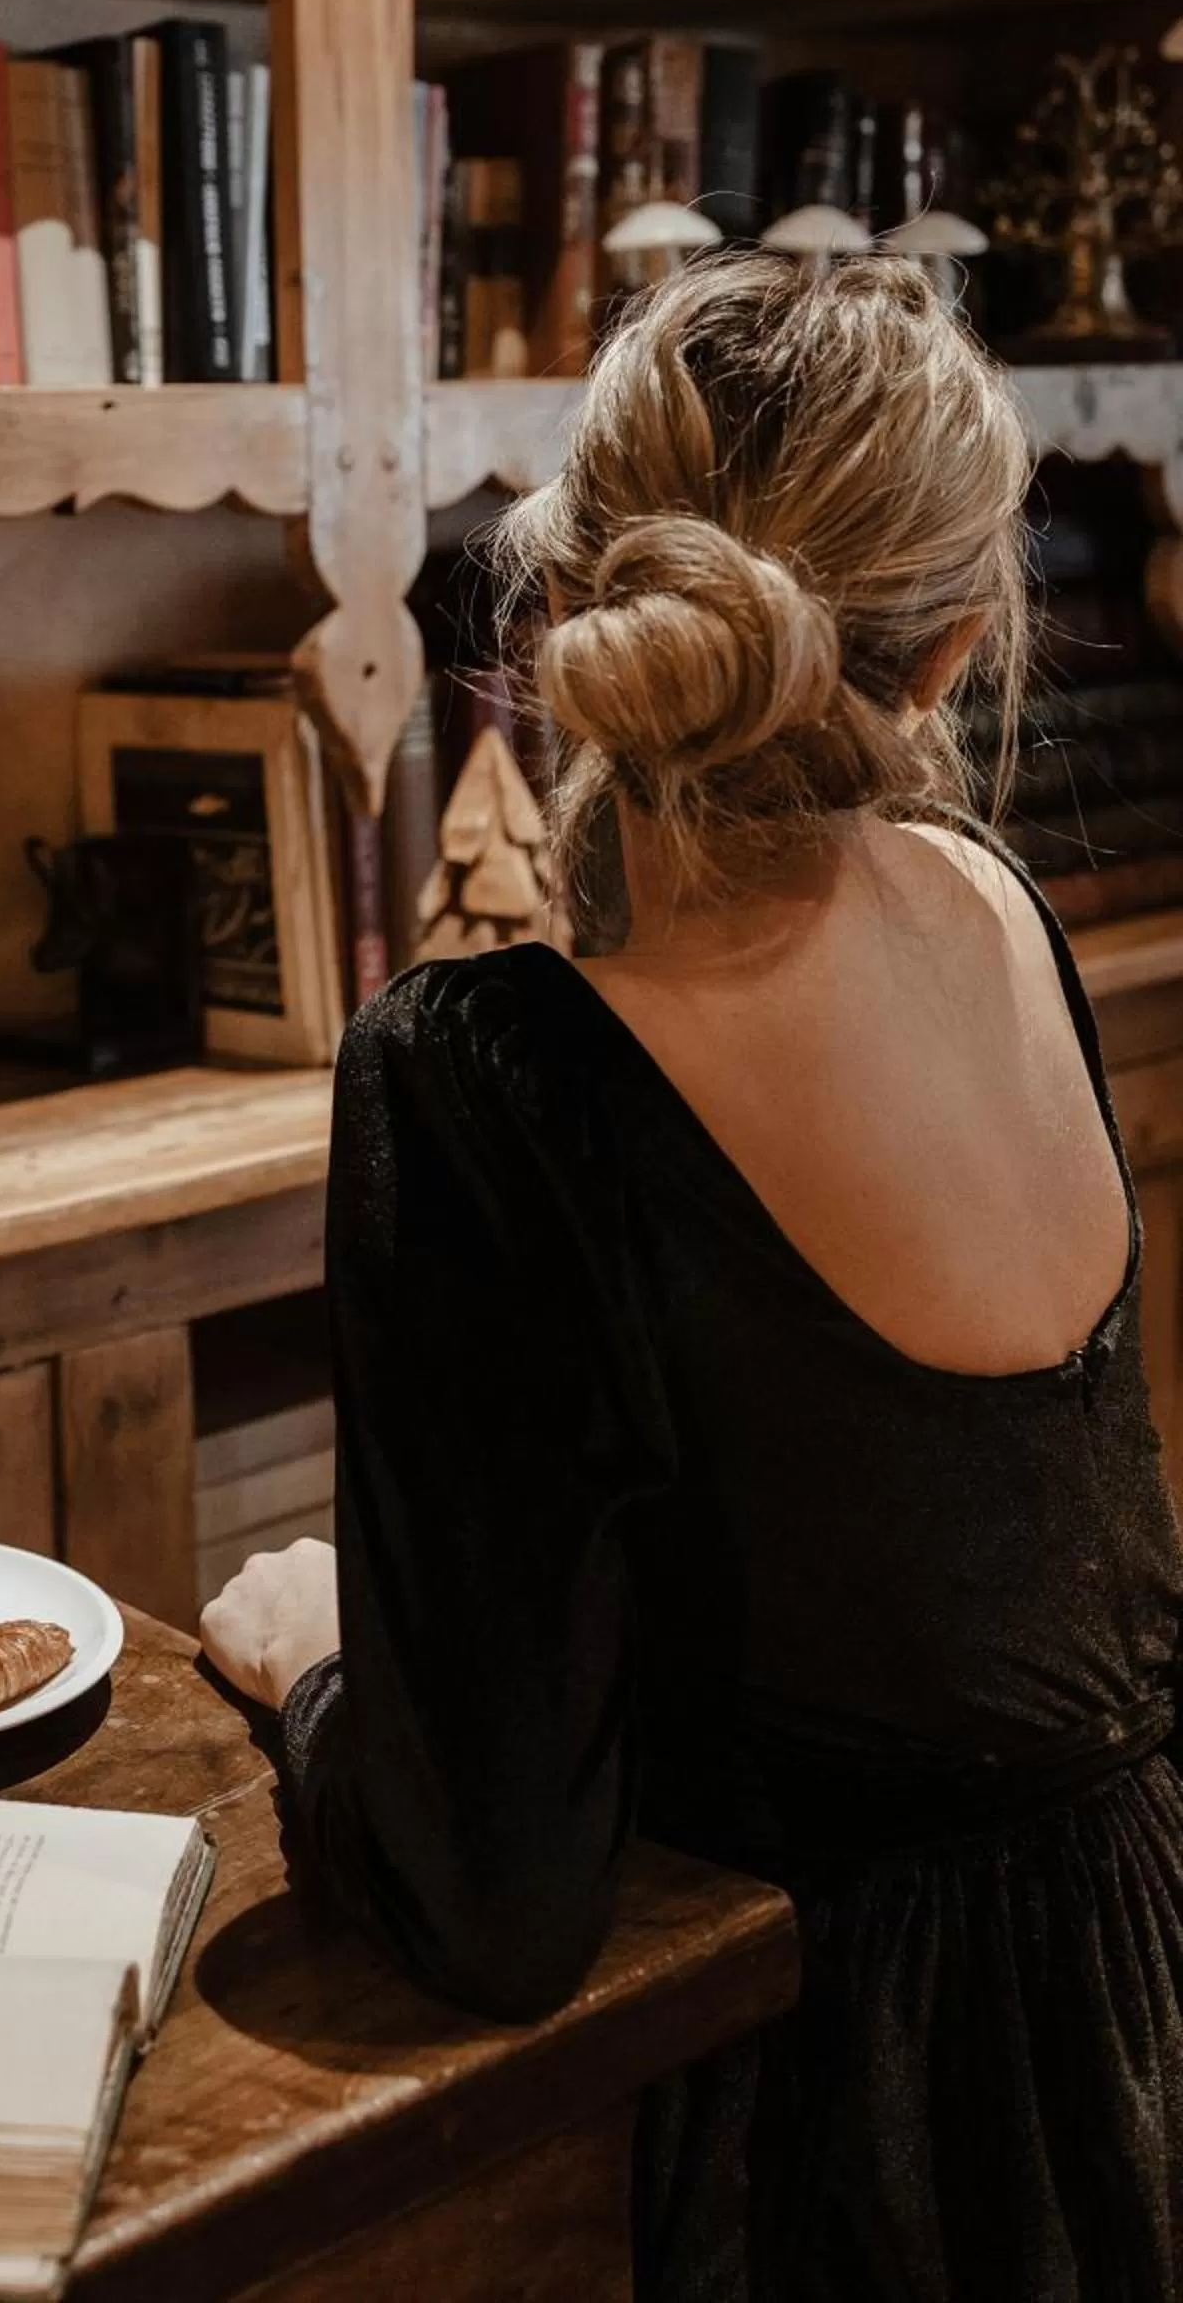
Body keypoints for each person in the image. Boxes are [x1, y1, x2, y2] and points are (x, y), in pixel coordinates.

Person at [200, 253, 1183, 2301]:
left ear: (582, 596)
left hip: (844, 2120)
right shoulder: (999, 910)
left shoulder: (487, 1077)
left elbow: (499, 1905)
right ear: (955, 650)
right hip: (1139, 2004)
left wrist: (317, 1677)